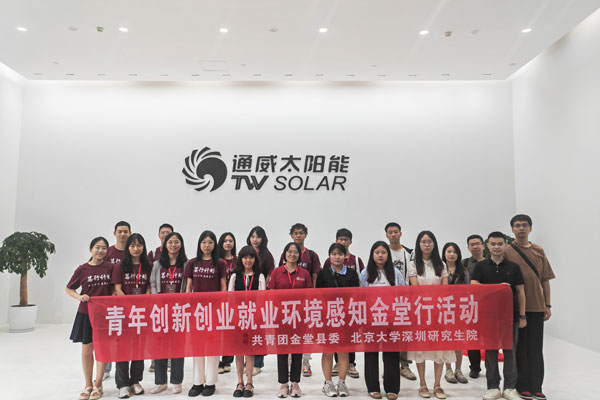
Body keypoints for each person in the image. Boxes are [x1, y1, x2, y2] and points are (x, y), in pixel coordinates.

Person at [504, 215, 555, 400]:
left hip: (537, 306)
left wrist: (547, 304)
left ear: (530, 228)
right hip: (516, 308)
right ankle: (522, 385)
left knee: (536, 348)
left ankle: (536, 386)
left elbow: (545, 279)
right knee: (520, 348)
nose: (521, 228)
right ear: (512, 229)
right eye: (517, 225)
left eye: (524, 225)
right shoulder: (507, 250)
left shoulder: (538, 250)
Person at [471, 231, 526, 400]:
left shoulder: (514, 267)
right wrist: (497, 288)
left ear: (505, 245)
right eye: (493, 244)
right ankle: (493, 386)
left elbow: (520, 292)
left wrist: (522, 316)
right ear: (487, 245)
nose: (496, 247)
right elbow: (474, 286)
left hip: (510, 317)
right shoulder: (480, 266)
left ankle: (510, 387)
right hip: (488, 317)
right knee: (490, 352)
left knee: (510, 352)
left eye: (500, 244)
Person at [407, 231, 453, 400]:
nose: (427, 244)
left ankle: (437, 384)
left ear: (434, 244)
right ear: (418, 245)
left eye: (430, 241)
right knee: (420, 349)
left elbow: (445, 288)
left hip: (439, 312)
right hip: (420, 312)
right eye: (423, 241)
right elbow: (415, 288)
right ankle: (423, 384)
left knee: (439, 349)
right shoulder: (413, 264)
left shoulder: (441, 264)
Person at [66, 237, 113, 400]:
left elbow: (115, 288)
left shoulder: (111, 267)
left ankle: (98, 384)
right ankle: (88, 384)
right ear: (91, 249)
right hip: (86, 313)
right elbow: (69, 288)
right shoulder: (82, 269)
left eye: (104, 248)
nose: (101, 251)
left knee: (102, 348)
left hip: (105, 314)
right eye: (97, 247)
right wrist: (79, 297)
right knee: (87, 348)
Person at [359, 241, 404, 400]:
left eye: (383, 252)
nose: (380, 255)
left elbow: (402, 296)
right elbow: (361, 298)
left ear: (388, 255)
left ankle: (392, 388)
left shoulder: (396, 273)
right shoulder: (365, 273)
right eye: (377, 252)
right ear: (372, 254)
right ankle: (373, 387)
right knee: (371, 354)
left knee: (391, 354)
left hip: (391, 320)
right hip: (371, 320)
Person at [185, 230, 227, 397]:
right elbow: (188, 287)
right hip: (196, 311)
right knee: (198, 347)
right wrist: (188, 306)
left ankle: (210, 382)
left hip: (214, 310)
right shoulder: (192, 263)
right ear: (199, 244)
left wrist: (221, 306)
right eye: (204, 242)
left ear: (214, 245)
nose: (207, 245)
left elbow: (223, 287)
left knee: (212, 346)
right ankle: (197, 382)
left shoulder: (220, 263)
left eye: (210, 242)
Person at [268, 242, 313, 398]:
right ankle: (283, 384)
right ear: (284, 253)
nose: (292, 254)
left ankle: (295, 383)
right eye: (289, 251)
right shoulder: (276, 272)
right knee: (282, 351)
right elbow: (271, 294)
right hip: (281, 317)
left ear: (299, 255)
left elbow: (309, 295)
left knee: (297, 351)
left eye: (295, 252)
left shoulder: (304, 274)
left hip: (298, 318)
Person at [111, 233, 152, 398]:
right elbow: (117, 289)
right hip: (124, 312)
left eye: (139, 245)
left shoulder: (147, 265)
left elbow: (149, 286)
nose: (136, 248)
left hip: (141, 313)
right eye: (133, 245)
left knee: (138, 347)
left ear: (143, 247)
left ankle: (135, 380)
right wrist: (129, 305)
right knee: (122, 348)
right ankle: (122, 384)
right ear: (128, 248)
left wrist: (144, 301)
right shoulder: (120, 266)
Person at [317, 243, 360, 397]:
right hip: (327, 319)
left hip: (345, 319)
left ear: (345, 256)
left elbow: (356, 295)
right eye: (334, 254)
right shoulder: (323, 274)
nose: (337, 257)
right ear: (329, 256)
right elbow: (318, 297)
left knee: (343, 351)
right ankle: (328, 383)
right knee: (327, 351)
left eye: (340, 254)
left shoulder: (352, 274)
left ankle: (342, 382)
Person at [278, 223, 321, 377]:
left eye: (301, 233)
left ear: (305, 235)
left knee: (305, 334)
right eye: (295, 233)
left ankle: (306, 363)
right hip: (286, 306)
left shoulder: (312, 255)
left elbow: (315, 276)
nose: (298, 235)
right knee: (289, 335)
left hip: (304, 304)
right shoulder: (286, 253)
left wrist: (312, 298)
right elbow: (281, 274)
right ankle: (290, 364)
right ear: (291, 235)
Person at [149, 232, 188, 394]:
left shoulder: (186, 264)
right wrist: (157, 300)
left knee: (178, 346)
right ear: (165, 245)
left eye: (176, 242)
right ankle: (160, 381)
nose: (173, 245)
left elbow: (189, 285)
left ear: (181, 244)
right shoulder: (157, 264)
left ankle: (176, 381)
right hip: (161, 310)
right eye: (170, 242)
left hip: (179, 310)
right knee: (160, 345)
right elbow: (152, 283)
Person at [323, 228, 363, 379]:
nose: (343, 242)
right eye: (340, 239)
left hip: (348, 310)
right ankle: (336, 364)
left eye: (346, 240)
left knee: (348, 338)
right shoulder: (326, 267)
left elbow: (359, 287)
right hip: (331, 311)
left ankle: (350, 364)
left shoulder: (356, 262)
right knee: (333, 337)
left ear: (350, 242)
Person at [228, 246, 266, 398]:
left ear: (255, 259)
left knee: (249, 352)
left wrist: (257, 317)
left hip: (253, 319)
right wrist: (234, 318)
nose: (248, 260)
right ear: (241, 259)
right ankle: (239, 382)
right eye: (245, 257)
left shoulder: (260, 276)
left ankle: (249, 382)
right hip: (238, 319)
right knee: (238, 352)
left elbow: (262, 299)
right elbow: (230, 299)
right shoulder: (235, 276)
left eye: (251, 257)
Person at [384, 222, 416, 381]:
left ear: (400, 233)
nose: (393, 234)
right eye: (390, 232)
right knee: (388, 334)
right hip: (387, 300)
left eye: (396, 232)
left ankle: (404, 365)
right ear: (386, 235)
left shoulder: (409, 253)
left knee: (404, 333)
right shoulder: (383, 252)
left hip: (405, 298)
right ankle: (389, 367)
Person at [246, 226, 276, 376]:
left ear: (263, 239)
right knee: (246, 328)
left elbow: (270, 274)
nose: (255, 239)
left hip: (260, 296)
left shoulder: (267, 255)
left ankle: (258, 363)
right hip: (245, 297)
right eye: (252, 236)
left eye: (258, 237)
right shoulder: (245, 252)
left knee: (258, 329)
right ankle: (248, 360)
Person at [104, 220, 131, 380]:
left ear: (130, 233)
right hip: (109, 301)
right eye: (120, 231)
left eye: (125, 231)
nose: (122, 234)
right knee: (109, 334)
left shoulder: (133, 251)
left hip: (128, 302)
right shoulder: (107, 252)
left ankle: (125, 370)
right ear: (114, 233)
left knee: (126, 336)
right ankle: (106, 369)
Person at [441, 243, 470, 385]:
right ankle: (448, 370)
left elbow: (469, 290)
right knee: (447, 340)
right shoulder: (440, 269)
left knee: (459, 340)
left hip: (460, 310)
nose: (452, 254)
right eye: (449, 251)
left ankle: (458, 369)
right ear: (444, 253)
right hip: (444, 309)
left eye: (455, 252)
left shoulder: (464, 271)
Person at [147, 223, 174, 374]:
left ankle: (169, 360)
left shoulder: (179, 254)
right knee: (156, 331)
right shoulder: (153, 253)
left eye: (168, 232)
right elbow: (149, 276)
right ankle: (154, 360)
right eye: (162, 232)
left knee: (170, 331)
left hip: (173, 302)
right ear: (159, 235)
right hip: (157, 301)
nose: (165, 235)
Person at [461, 234, 486, 379]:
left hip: (488, 306)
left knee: (490, 338)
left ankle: (491, 368)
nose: (475, 246)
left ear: (483, 246)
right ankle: (475, 368)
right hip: (470, 305)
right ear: (468, 247)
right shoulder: (464, 264)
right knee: (473, 337)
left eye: (478, 243)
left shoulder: (491, 262)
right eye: (472, 244)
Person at [217, 232, 237, 375]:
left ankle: (227, 360)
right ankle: (217, 360)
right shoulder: (217, 260)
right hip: (219, 299)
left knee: (231, 331)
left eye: (231, 241)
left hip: (234, 300)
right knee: (219, 331)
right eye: (225, 241)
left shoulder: (237, 260)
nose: (228, 243)